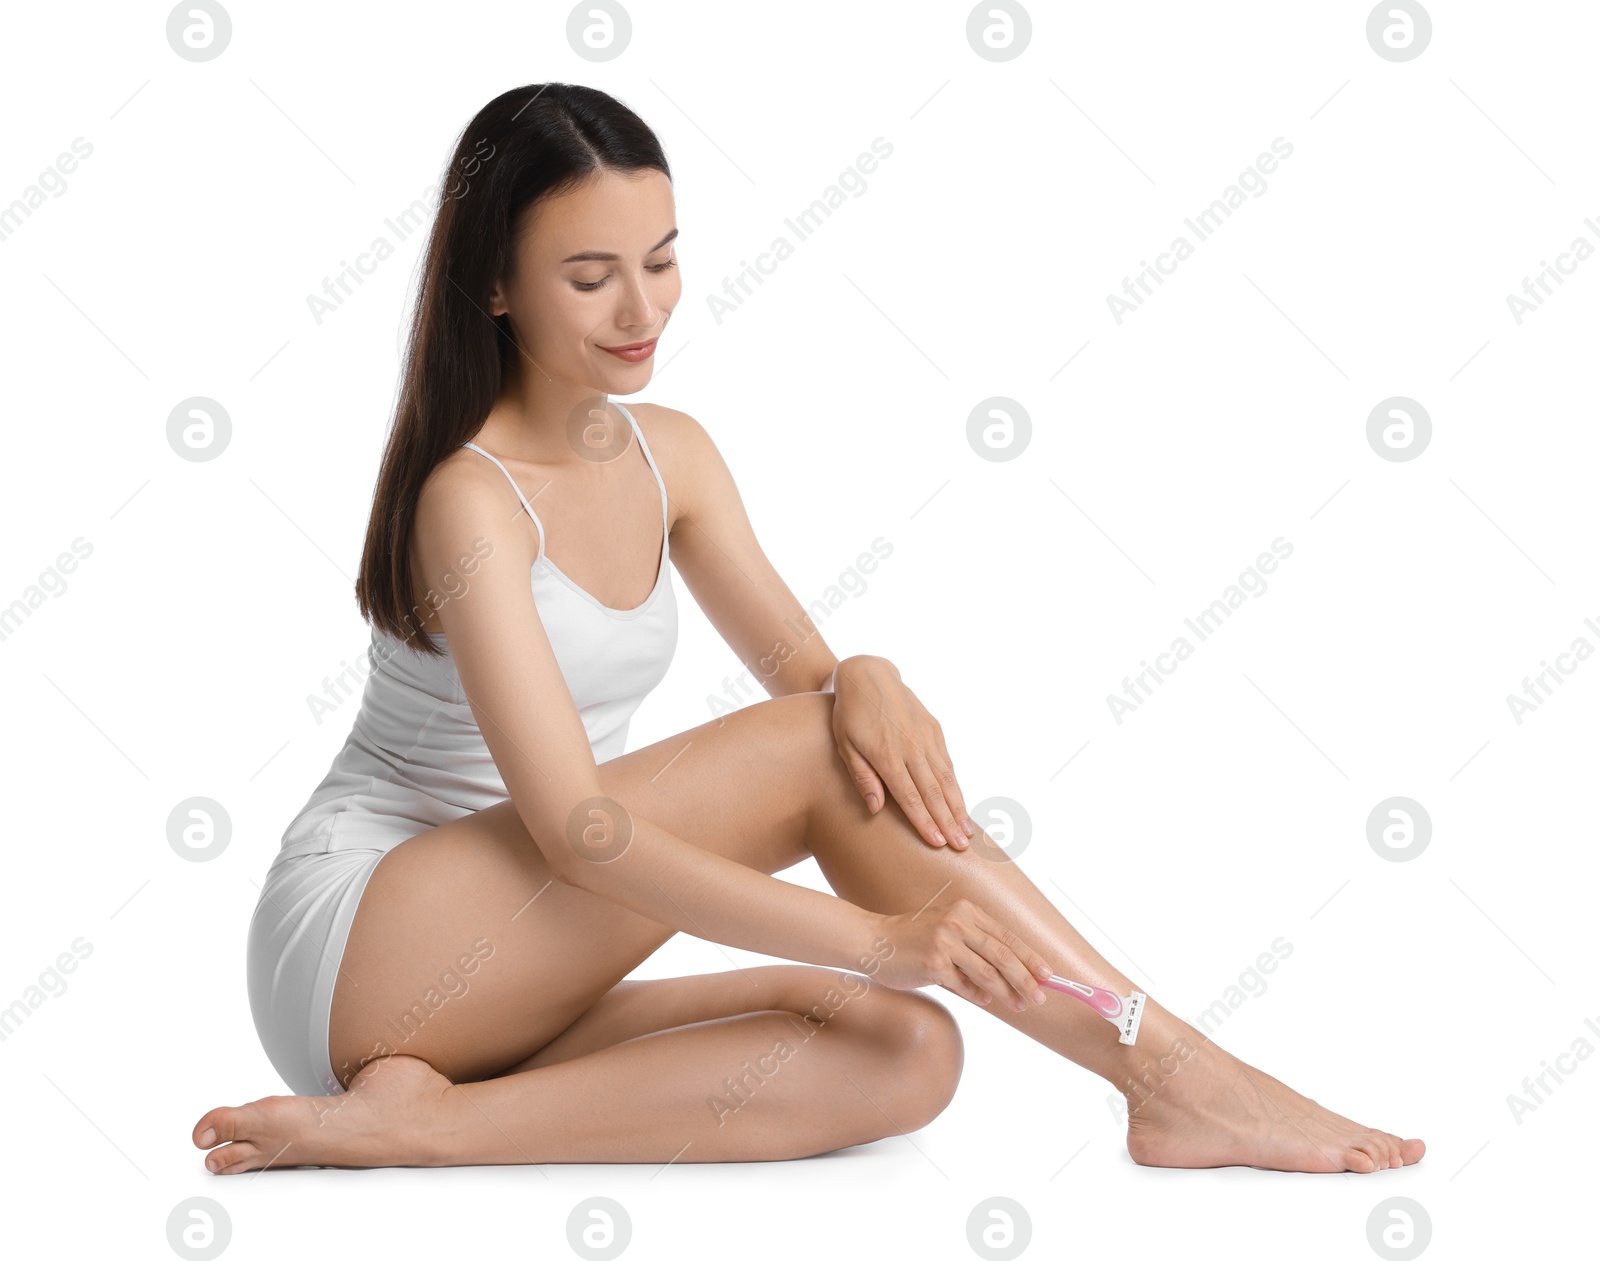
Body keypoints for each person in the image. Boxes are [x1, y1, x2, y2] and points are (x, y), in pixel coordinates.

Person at [192, 82, 1424, 1175]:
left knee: (906, 1050)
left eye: (661, 260)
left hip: (508, 978)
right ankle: (1168, 1071)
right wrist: (880, 934)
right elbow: (580, 830)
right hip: (366, 941)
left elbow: (817, 691)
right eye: (589, 275)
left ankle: (424, 1121)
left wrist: (868, 671)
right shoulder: (468, 496)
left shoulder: (671, 454)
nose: (642, 307)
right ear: (496, 286)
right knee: (813, 759)